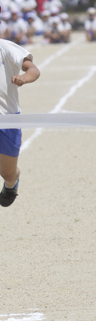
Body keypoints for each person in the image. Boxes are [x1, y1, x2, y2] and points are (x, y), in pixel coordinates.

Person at [0, 27, 40, 207]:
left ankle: (11, 182)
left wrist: (24, 77)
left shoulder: (6, 47)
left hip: (7, 120)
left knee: (7, 172)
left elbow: (33, 69)